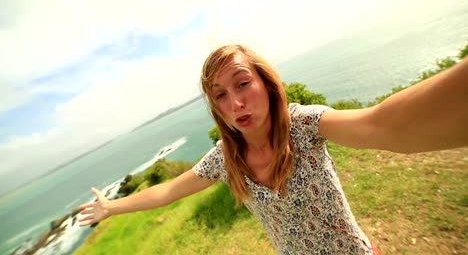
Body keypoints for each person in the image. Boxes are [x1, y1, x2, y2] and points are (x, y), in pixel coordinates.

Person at [79, 45, 468, 254]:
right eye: (220, 95)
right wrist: (111, 207)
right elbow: (168, 190)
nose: (236, 104)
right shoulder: (225, 158)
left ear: (265, 83)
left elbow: (381, 125)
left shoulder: (303, 124)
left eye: (242, 83)